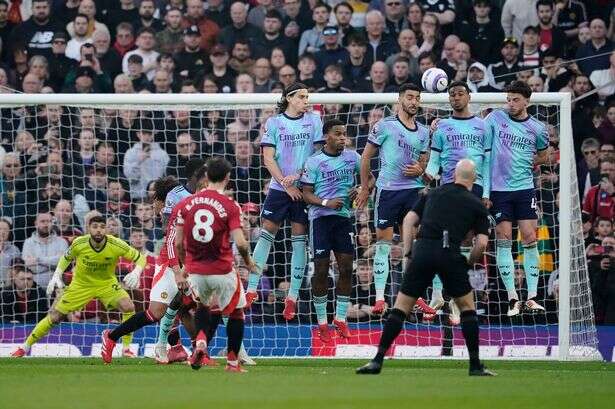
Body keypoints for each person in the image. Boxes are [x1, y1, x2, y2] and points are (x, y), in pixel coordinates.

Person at [356, 159, 494, 376]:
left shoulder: (432, 193)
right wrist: (468, 263)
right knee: (467, 309)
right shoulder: (476, 203)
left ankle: (377, 360)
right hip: (450, 253)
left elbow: (409, 220)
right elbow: (483, 243)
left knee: (401, 308)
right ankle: (475, 365)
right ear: (474, 179)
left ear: (454, 175)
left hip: (424, 250)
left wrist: (410, 251)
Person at [11, 216, 146, 358]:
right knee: (55, 316)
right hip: (81, 285)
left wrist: (137, 272)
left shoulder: (116, 244)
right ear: (88, 228)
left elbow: (141, 258)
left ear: (106, 229)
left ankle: (126, 349)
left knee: (128, 307)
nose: (99, 230)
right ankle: (24, 347)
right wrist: (57, 275)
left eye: (102, 227)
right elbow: (66, 258)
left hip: (106, 283)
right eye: (95, 226)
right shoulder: (79, 243)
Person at [245, 83, 324, 321]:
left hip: (304, 187)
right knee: (266, 233)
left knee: (299, 240)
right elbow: (268, 158)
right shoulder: (274, 123)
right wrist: (284, 183)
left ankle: (292, 297)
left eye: (307, 96)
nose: (306, 100)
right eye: (301, 96)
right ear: (289, 98)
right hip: (281, 188)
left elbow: (319, 155)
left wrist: (299, 176)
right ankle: (251, 290)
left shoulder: (315, 121)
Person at [355, 83, 432, 315]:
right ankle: (380, 299)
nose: (414, 102)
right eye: (410, 97)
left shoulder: (424, 131)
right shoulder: (384, 126)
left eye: (417, 98)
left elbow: (425, 161)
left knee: (412, 245)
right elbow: (366, 157)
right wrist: (365, 187)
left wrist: (420, 169)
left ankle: (415, 294)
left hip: (414, 191)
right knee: (384, 244)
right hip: (388, 191)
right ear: (399, 100)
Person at [174, 157, 256, 372]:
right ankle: (232, 363)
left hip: (195, 271)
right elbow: (240, 243)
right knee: (236, 313)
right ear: (228, 178)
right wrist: (248, 262)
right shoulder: (230, 205)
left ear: (206, 176)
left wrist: (184, 267)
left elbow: (178, 243)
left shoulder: (186, 203)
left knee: (203, 306)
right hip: (222, 269)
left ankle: (200, 342)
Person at [423, 80, 490, 319]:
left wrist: (486, 193)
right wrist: (428, 177)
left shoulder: (483, 127)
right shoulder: (441, 127)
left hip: (475, 187)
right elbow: (434, 159)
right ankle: (440, 295)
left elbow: (489, 162)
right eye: (452, 95)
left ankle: (457, 295)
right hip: (447, 188)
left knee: (470, 241)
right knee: (444, 241)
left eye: (460, 94)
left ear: (469, 97)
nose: (455, 98)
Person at [301, 119, 373, 342]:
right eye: (338, 134)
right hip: (320, 220)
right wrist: (325, 202)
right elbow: (306, 193)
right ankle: (322, 323)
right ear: (326, 136)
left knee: (346, 268)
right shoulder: (314, 162)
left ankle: (340, 319)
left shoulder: (353, 157)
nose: (343, 137)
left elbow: (370, 178)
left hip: (343, 220)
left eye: (345, 134)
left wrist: (361, 189)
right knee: (321, 271)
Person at [484, 80, 550, 316]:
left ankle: (532, 296)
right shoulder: (494, 118)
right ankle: (513, 297)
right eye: (508, 99)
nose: (511, 104)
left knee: (530, 237)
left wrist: (535, 162)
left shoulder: (538, 128)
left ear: (527, 101)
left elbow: (544, 153)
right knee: (504, 239)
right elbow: (474, 129)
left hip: (524, 188)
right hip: (499, 190)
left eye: (516, 100)